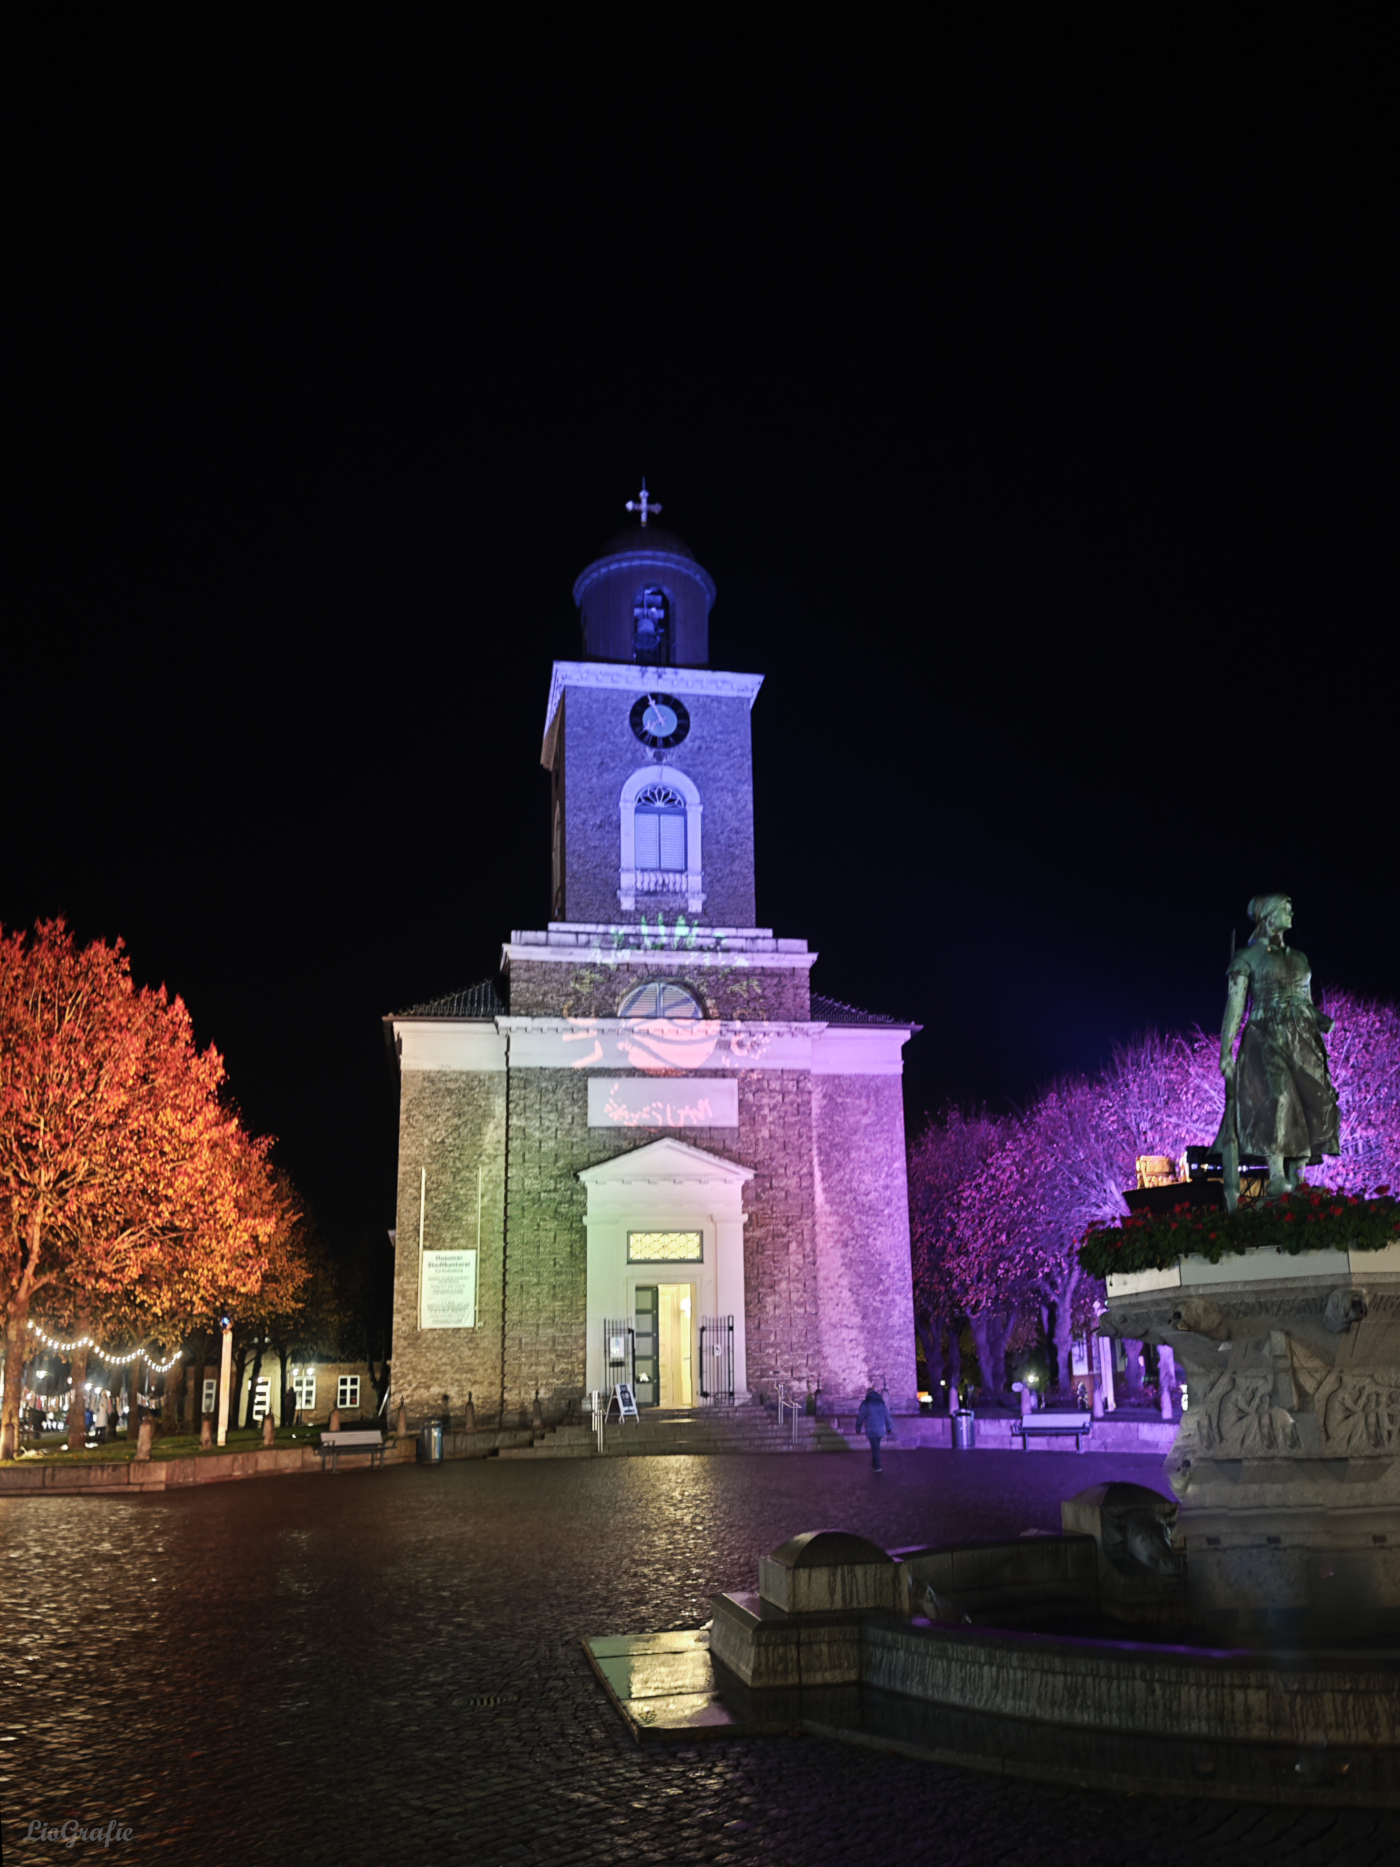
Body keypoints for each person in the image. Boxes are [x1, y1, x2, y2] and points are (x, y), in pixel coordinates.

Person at [1215, 894, 1340, 1198]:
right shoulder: (1247, 957)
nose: (1292, 912)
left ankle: (1298, 1179)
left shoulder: (1299, 958)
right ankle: (1276, 1174)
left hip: (1303, 1036)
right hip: (1265, 1033)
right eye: (1285, 909)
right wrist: (1225, 1051)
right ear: (1268, 916)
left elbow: (1306, 1002)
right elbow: (1235, 1007)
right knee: (1279, 1097)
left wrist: (1321, 1020)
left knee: (1315, 1102)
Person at [855, 1386, 893, 1473]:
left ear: (867, 1393)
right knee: (876, 1447)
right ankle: (873, 1463)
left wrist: (858, 1427)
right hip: (880, 1428)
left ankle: (877, 1466)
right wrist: (889, 1427)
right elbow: (886, 1416)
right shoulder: (881, 1403)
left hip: (871, 1428)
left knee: (875, 1448)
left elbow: (860, 1416)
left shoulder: (865, 1403)